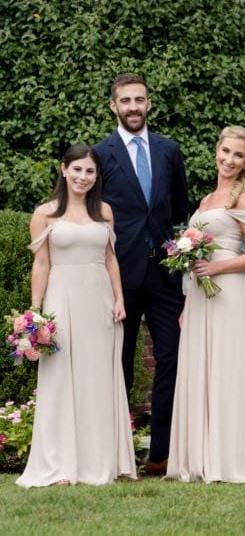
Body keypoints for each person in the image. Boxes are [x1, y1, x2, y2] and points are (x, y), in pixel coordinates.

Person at [17, 144, 136, 487]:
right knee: (61, 380)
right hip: (62, 299)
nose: (83, 177)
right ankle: (59, 465)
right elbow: (41, 263)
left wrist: (119, 299)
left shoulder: (105, 212)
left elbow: (111, 258)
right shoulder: (45, 213)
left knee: (98, 380)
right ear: (63, 169)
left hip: (99, 301)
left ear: (96, 176)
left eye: (90, 171)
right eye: (78, 169)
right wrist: (35, 313)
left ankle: (101, 461)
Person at [166, 126, 245, 482]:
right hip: (200, 294)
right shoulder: (205, 202)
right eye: (225, 151)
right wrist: (187, 300)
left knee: (226, 369)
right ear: (217, 151)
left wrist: (217, 266)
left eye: (238, 155)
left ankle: (231, 457)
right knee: (202, 369)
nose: (229, 160)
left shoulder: (241, 200)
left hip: (227, 291)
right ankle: (200, 455)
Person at [95, 73, 188, 476]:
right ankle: (117, 451)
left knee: (171, 359)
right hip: (120, 275)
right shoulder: (100, 155)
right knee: (118, 360)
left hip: (166, 275)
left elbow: (180, 211)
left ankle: (160, 454)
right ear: (114, 106)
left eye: (140, 99)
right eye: (125, 100)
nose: (133, 106)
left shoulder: (169, 151)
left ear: (150, 104)